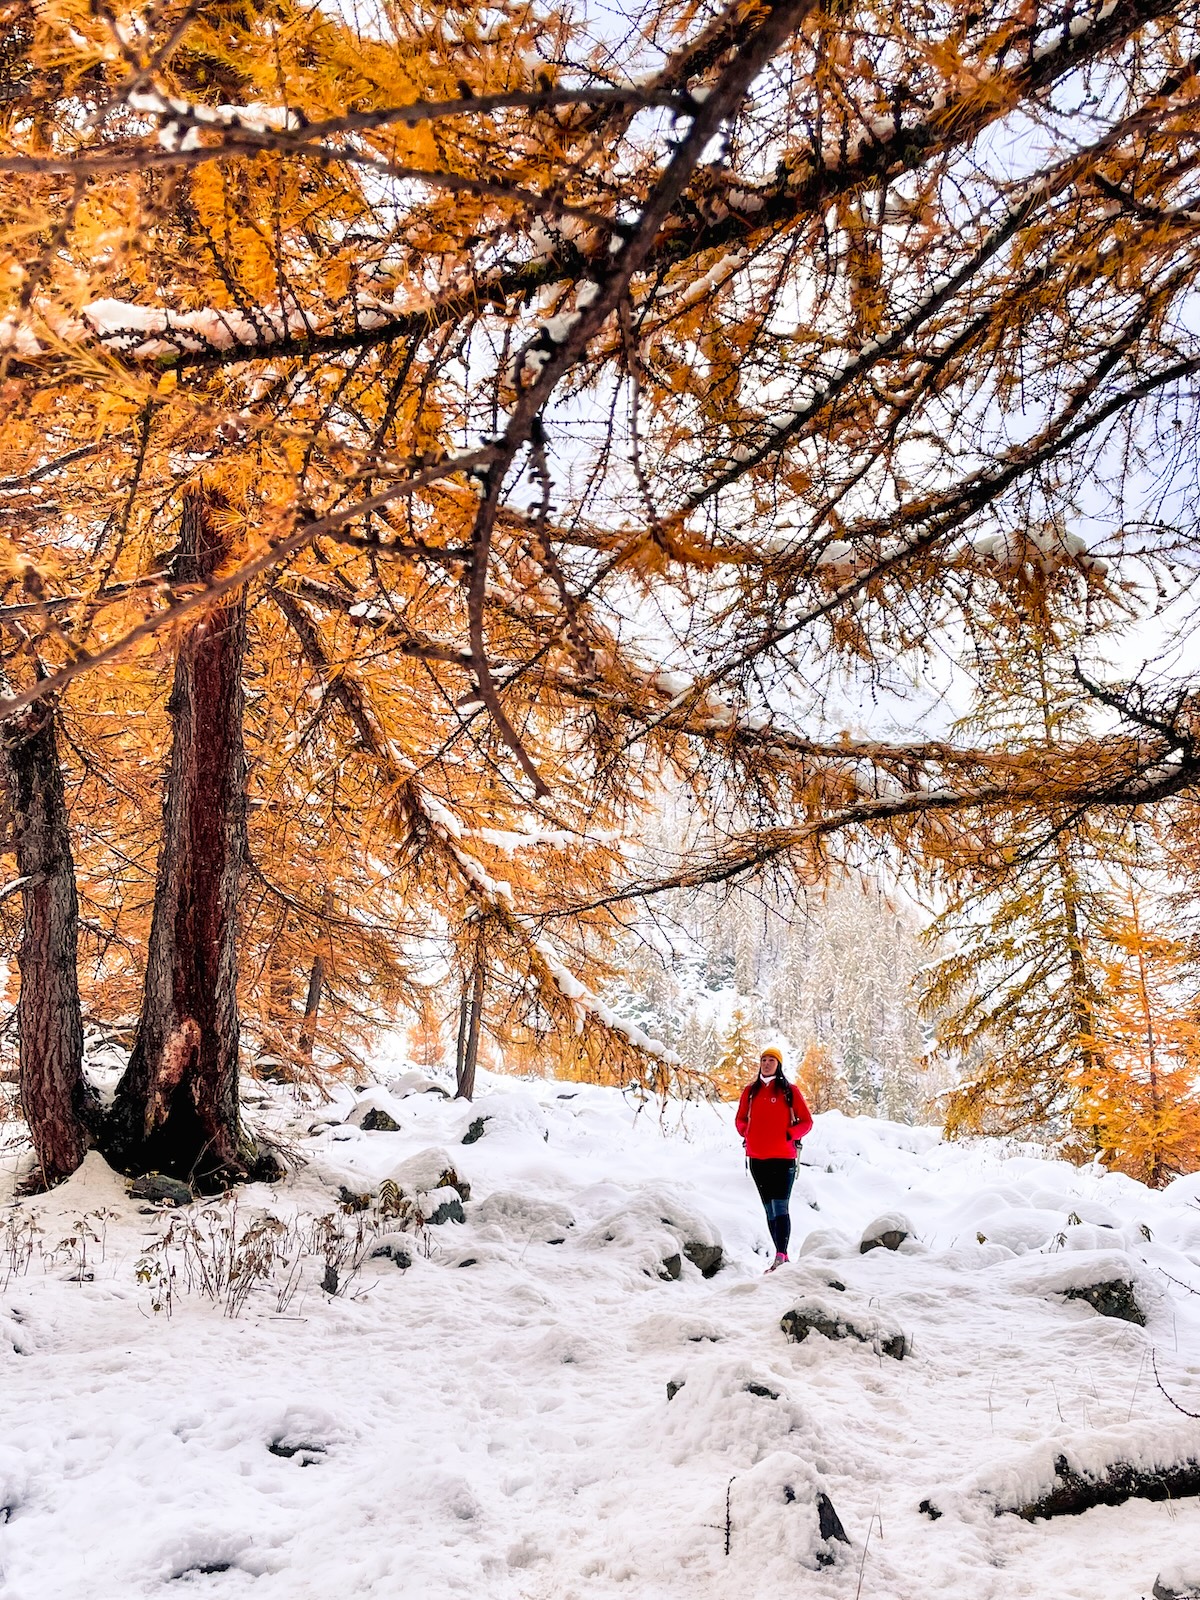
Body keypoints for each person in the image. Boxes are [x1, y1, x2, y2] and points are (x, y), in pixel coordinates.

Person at [734, 1042, 813, 1272]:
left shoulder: (789, 1091)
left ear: (778, 1065)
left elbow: (807, 1121)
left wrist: (790, 1134)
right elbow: (740, 1120)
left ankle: (781, 1255)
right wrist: (747, 1132)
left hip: (783, 1158)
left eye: (771, 1060)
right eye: (763, 1060)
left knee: (781, 1207)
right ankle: (780, 1257)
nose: (766, 1064)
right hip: (757, 1159)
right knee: (769, 1209)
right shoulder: (750, 1091)